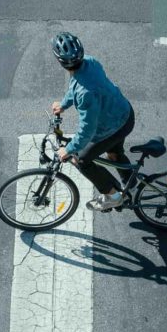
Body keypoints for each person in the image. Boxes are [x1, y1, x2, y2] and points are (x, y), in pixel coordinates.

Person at [48, 32, 135, 211]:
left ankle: (112, 195)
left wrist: (69, 149)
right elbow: (78, 85)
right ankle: (131, 184)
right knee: (114, 155)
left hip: (112, 126)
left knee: (80, 160)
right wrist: (64, 105)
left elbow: (87, 130)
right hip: (123, 113)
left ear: (60, 61)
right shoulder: (90, 62)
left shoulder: (85, 94)